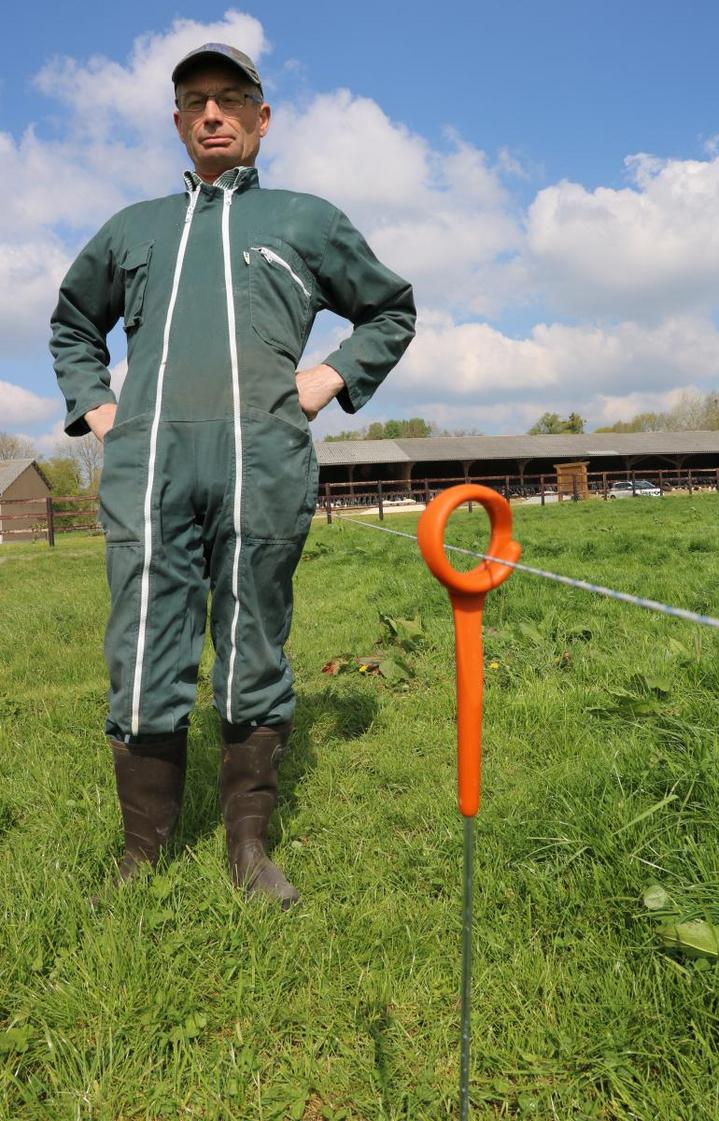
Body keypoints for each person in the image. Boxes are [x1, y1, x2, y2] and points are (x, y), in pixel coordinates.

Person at [50, 43, 416, 908]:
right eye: (195, 102)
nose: (212, 113)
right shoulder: (132, 228)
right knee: (142, 645)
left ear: (261, 117)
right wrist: (103, 411)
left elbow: (389, 308)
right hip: (152, 470)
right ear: (178, 123)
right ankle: (142, 855)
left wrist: (329, 379)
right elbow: (73, 324)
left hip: (264, 460)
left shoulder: (303, 219)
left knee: (254, 641)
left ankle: (248, 848)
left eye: (230, 99)